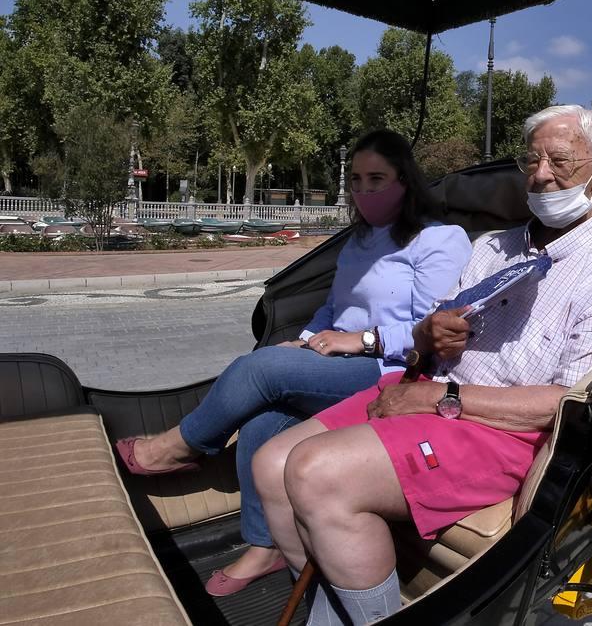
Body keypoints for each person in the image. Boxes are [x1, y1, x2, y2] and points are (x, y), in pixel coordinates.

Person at [253, 105, 592, 626]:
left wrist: (441, 400)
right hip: (427, 390)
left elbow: (570, 401)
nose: (540, 175)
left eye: (561, 161)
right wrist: (429, 333)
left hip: (503, 429)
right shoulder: (490, 247)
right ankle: (339, 607)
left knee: (314, 471)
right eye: (531, 161)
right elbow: (426, 339)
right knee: (270, 463)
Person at [114, 130, 471, 596]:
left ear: (405, 180)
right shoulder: (360, 240)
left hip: (392, 369)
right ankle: (266, 546)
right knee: (263, 422)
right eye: (357, 180)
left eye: (377, 179)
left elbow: (436, 329)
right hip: (344, 359)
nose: (364, 192)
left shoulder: (439, 240)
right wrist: (304, 342)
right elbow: (333, 309)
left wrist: (360, 340)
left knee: (258, 368)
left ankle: (178, 449)